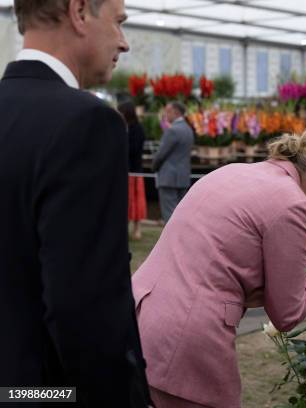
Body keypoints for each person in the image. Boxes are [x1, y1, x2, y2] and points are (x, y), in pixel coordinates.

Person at [132, 121, 306, 407]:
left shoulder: (235, 171)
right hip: (185, 342)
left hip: (138, 318)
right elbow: (287, 313)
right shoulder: (294, 205)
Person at [0, 0, 150, 406]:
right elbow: (84, 312)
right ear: (79, 12)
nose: (124, 43)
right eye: (119, 23)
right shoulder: (86, 123)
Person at [152, 101, 194, 223]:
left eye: (168, 112)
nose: (165, 115)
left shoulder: (172, 130)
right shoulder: (188, 129)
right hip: (183, 177)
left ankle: (172, 241)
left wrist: (154, 167)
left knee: (169, 214)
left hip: (168, 177)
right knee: (181, 214)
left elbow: (161, 154)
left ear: (176, 112)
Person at [119, 100, 148, 240]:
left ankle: (137, 228)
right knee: (124, 201)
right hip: (123, 170)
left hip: (134, 170)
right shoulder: (121, 127)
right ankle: (124, 228)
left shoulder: (137, 129)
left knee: (136, 201)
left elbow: (134, 149)